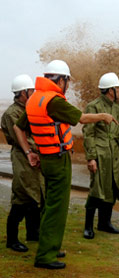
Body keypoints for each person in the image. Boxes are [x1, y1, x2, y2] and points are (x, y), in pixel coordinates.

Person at [14, 60, 118, 270]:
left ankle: (49, 246)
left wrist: (29, 153)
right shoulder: (54, 101)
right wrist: (103, 116)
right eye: (67, 81)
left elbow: (19, 127)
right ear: (60, 80)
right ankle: (45, 256)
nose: (68, 85)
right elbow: (80, 118)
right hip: (58, 160)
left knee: (49, 205)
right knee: (57, 208)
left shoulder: (35, 99)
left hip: (45, 158)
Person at [82, 72, 119, 240]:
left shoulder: (117, 108)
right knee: (96, 189)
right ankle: (88, 226)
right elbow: (88, 134)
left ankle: (104, 223)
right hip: (100, 154)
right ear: (110, 90)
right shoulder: (94, 107)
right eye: (118, 87)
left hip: (114, 155)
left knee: (112, 188)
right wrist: (91, 158)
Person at [1, 74, 44, 252]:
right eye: (31, 91)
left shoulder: (28, 109)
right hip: (22, 156)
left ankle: (33, 233)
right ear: (23, 92)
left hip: (32, 155)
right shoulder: (12, 113)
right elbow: (23, 139)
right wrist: (41, 148)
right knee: (22, 196)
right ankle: (12, 239)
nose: (33, 93)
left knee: (37, 194)